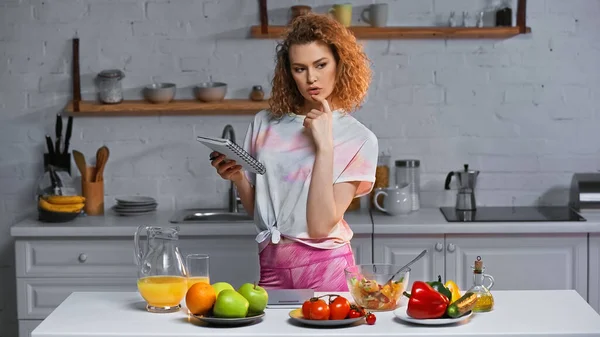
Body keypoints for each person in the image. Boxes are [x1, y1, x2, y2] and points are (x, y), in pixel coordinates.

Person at [210, 13, 378, 291]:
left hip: (327, 270)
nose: (311, 78)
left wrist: (324, 146)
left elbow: (321, 227)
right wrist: (239, 178)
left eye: (321, 65)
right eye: (300, 68)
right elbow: (264, 213)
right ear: (289, 72)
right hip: (271, 264)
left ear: (340, 64)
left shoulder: (359, 138)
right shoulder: (265, 123)